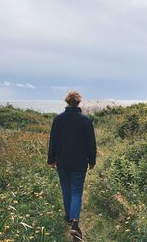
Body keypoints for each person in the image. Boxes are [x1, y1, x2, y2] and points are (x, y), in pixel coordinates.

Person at [47, 91, 97, 240]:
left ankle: (69, 218)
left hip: (62, 161)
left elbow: (53, 141)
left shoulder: (58, 119)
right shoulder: (86, 121)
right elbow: (91, 143)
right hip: (80, 162)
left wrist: (51, 159)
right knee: (76, 191)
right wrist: (92, 161)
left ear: (67, 102)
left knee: (66, 189)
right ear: (78, 103)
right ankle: (75, 222)